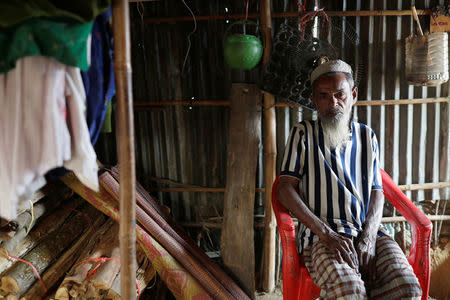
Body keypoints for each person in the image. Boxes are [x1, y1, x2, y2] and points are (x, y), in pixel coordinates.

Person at [278, 59, 422, 299]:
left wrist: (368, 237)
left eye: (339, 95)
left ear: (353, 94)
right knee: (349, 290)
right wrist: (326, 233)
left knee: (408, 288)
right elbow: (284, 189)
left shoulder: (367, 136)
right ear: (314, 100)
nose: (332, 103)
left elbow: (377, 191)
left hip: (369, 233)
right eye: (323, 96)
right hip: (321, 238)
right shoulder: (302, 134)